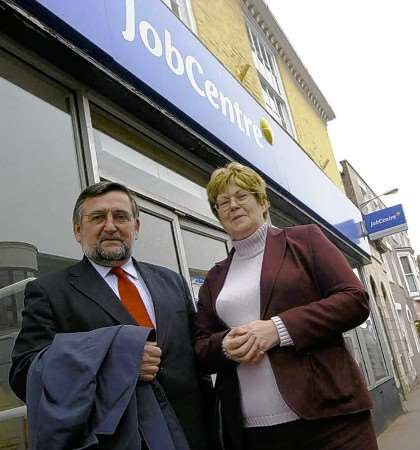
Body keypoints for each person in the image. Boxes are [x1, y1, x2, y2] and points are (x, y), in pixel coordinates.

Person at [10, 181, 211, 450]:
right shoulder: (49, 291)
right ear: (78, 230)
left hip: (190, 435)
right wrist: (118, 363)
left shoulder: (171, 282)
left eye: (120, 216)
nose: (110, 226)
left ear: (136, 227)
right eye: (97, 218)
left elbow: (197, 367)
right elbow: (25, 374)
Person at [193, 162, 378, 450]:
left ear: (262, 201)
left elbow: (354, 299)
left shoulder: (304, 240)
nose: (233, 206)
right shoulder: (216, 276)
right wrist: (226, 346)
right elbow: (202, 347)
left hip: (329, 420)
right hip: (253, 432)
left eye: (241, 196)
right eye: (223, 202)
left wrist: (278, 329)